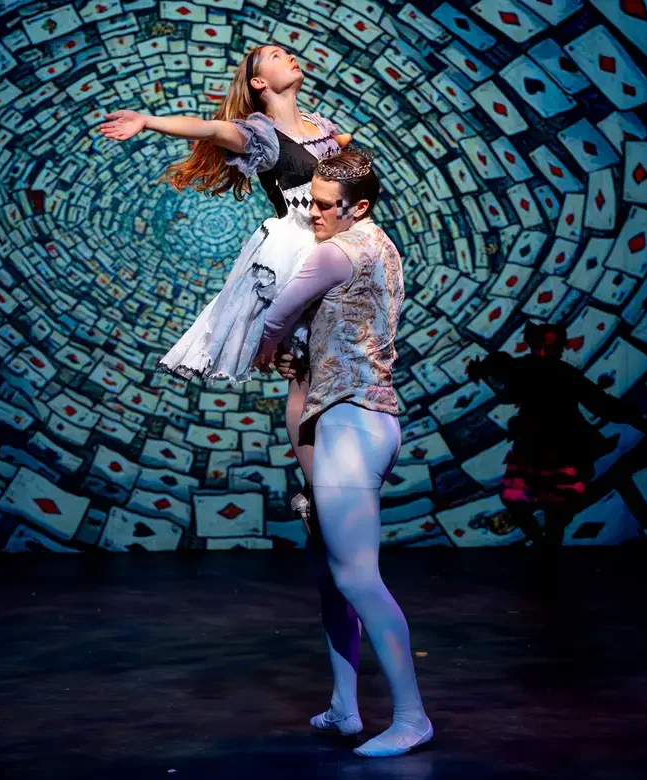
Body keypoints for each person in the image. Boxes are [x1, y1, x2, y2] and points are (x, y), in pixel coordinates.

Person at [98, 43, 351, 531]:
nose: (290, 57)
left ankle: (338, 476)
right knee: (303, 371)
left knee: (337, 366)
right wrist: (148, 121)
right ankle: (318, 487)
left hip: (343, 252)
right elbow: (212, 129)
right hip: (300, 254)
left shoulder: (321, 127)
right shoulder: (260, 133)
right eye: (276, 56)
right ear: (258, 82)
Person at [256, 150, 433, 758]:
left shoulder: (338, 250)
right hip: (341, 421)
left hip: (353, 426)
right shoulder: (381, 245)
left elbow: (272, 314)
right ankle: (344, 708)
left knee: (357, 577)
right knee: (333, 576)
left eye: (325, 205)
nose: (312, 214)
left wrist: (269, 345)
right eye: (309, 200)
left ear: (357, 206)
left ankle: (411, 717)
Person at [466, 323, 647, 550]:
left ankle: (543, 544)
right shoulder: (557, 372)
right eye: (555, 346)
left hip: (551, 446)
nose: (558, 350)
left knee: (533, 501)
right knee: (546, 505)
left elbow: (603, 406)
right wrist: (645, 423)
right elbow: (604, 406)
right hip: (554, 446)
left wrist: (645, 423)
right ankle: (545, 544)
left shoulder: (527, 368)